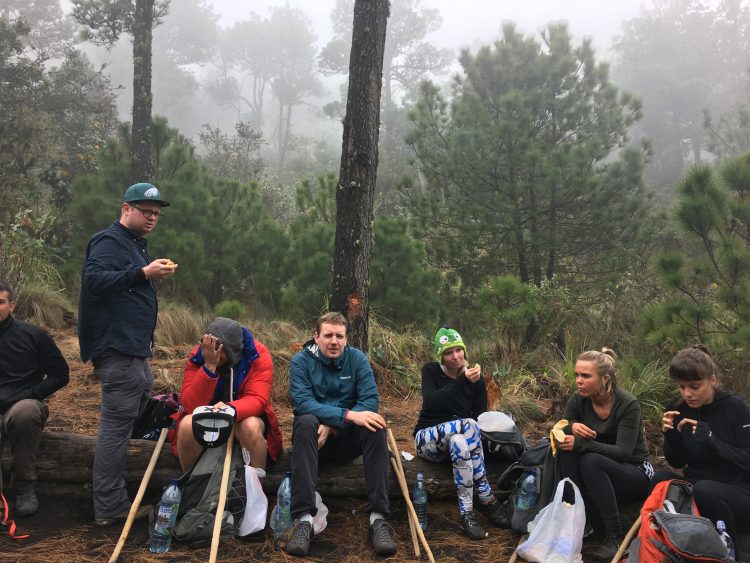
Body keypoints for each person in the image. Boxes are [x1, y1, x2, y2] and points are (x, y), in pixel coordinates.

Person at [78, 182, 175, 527]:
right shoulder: (109, 240)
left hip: (132, 350)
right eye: (145, 211)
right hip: (116, 348)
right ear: (125, 208)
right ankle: (110, 505)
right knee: (116, 426)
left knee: (139, 405)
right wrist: (143, 273)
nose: (151, 217)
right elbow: (95, 280)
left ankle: (125, 486)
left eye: (156, 214)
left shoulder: (133, 244)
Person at [285, 312, 396, 557]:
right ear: (316, 337)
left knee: (376, 425)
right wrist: (346, 415)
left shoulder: (357, 360)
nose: (333, 341)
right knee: (305, 421)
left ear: (346, 339)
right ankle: (303, 520)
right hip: (315, 443)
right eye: (328, 335)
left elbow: (369, 400)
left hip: (345, 440)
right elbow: (303, 403)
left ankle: (378, 519)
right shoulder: (301, 362)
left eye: (339, 336)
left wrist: (334, 424)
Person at [554, 348, 652, 562]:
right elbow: (559, 429)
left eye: (586, 376)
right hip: (599, 473)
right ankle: (581, 520)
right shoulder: (579, 400)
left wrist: (583, 444)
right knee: (567, 452)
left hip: (634, 471)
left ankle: (616, 536)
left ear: (605, 378)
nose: (579, 381)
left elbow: (623, 453)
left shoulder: (627, 404)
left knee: (590, 459)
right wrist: (571, 426)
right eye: (577, 375)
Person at [413, 326, 505, 540]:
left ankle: (467, 514)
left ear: (464, 350)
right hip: (428, 440)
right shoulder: (431, 371)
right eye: (448, 352)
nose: (455, 357)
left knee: (460, 441)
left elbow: (481, 417)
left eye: (458, 350)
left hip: (457, 445)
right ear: (441, 357)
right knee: (467, 425)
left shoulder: (477, 380)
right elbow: (432, 402)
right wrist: (462, 380)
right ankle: (485, 495)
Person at [653, 344, 750, 545]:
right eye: (681, 387)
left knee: (705, 490)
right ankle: (674, 545)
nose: (687, 393)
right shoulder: (677, 406)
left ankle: (728, 553)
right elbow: (677, 462)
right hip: (697, 484)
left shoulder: (735, 407)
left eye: (694, 387)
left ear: (712, 380)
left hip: (737, 489)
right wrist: (670, 435)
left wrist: (712, 440)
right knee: (660, 480)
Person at [173, 317, 282, 471]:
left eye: (219, 348)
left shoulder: (257, 354)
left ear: (232, 350)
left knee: (250, 427)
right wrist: (209, 366)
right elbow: (190, 405)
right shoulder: (200, 355)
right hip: (208, 416)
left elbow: (258, 399)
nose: (212, 352)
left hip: (241, 416)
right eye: (209, 345)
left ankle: (255, 490)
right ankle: (192, 485)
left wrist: (229, 409)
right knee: (186, 426)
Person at [0, 281, 69, 517]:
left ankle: (24, 487)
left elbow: (61, 374)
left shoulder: (33, 335)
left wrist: (31, 394)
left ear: (11, 305)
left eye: (0, 302)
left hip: (22, 402)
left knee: (25, 413)